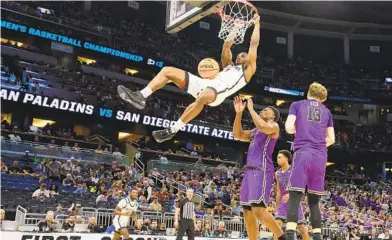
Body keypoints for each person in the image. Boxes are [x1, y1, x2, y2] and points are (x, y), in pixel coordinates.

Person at [118, 15, 261, 143]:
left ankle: (172, 130)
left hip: (218, 93)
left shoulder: (248, 71)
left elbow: (253, 44)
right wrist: (235, 28)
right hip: (205, 84)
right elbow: (226, 47)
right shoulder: (228, 66)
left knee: (203, 95)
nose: (239, 56)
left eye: (243, 55)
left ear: (249, 59)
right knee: (167, 71)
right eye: (239, 55)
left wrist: (257, 24)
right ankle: (141, 96)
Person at [284, 82, 335, 240]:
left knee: (295, 196)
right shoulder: (327, 112)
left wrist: (299, 131)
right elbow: (332, 139)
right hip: (320, 155)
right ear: (323, 98)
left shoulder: (297, 105)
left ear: (308, 93)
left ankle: (291, 234)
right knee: (314, 200)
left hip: (303, 152)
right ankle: (318, 236)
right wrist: (318, 143)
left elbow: (288, 127)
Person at [232, 96, 284, 240]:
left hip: (261, 169)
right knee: (247, 211)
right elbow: (237, 134)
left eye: (266, 110)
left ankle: (282, 237)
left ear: (273, 115)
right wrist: (239, 113)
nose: (262, 111)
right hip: (249, 171)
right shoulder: (255, 131)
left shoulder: (274, 126)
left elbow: (263, 126)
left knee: (259, 210)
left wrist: (250, 108)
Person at [274, 150, 310, 240]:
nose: (277, 159)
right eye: (277, 157)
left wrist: (290, 194)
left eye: (279, 157)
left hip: (294, 201)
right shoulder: (277, 173)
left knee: (302, 228)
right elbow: (278, 190)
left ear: (286, 158)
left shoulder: (294, 170)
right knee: (276, 226)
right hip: (283, 204)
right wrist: (277, 205)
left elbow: (301, 185)